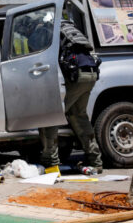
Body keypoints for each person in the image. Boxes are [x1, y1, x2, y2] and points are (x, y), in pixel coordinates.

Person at [37, 18, 103, 174]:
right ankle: (96, 161)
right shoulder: (70, 28)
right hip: (90, 73)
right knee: (78, 115)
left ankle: (50, 161)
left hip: (75, 76)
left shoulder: (49, 31)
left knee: (52, 116)